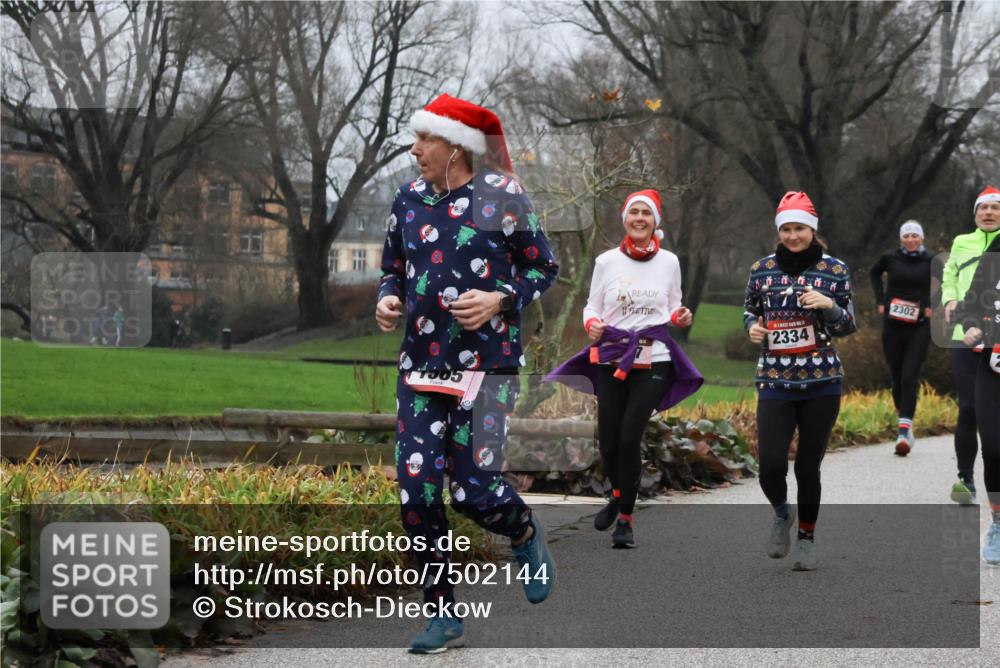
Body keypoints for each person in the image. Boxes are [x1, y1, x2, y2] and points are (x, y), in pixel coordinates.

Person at [375, 94, 559, 653]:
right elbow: (393, 270)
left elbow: (543, 268)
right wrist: (387, 300)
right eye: (415, 139)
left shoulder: (502, 197)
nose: (415, 149)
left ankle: (523, 532)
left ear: (455, 145)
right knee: (418, 491)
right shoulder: (406, 200)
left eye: (424, 139)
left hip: (489, 367)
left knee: (474, 492)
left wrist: (500, 299)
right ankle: (442, 616)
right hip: (421, 366)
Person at [544, 189, 703, 549]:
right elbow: (590, 306)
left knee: (630, 436)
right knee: (610, 441)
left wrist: (681, 316)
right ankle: (617, 494)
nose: (640, 219)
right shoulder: (606, 262)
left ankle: (626, 520)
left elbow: (674, 306)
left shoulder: (670, 262)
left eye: (647, 213)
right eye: (634, 213)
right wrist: (593, 324)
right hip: (612, 355)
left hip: (654, 356)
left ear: (655, 221)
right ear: (625, 219)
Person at [743, 191, 857, 571]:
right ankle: (781, 512)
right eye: (787, 229)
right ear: (779, 231)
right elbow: (750, 311)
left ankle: (807, 537)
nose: (793, 236)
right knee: (771, 466)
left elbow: (848, 325)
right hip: (775, 379)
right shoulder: (761, 270)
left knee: (808, 467)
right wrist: (753, 329)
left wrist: (831, 306)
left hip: (822, 381)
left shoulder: (835, 270)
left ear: (813, 230)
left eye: (800, 229)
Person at [941, 185, 1000, 505]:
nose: (988, 213)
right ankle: (966, 479)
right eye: (983, 208)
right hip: (964, 337)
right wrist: (950, 299)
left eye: (995, 207)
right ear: (975, 214)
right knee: (969, 407)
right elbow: (949, 274)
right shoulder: (962, 242)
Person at [869, 220, 938, 456]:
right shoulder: (890, 258)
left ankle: (904, 432)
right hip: (893, 324)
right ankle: (904, 414)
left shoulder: (930, 260)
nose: (910, 240)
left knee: (910, 376)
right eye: (906, 236)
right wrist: (880, 301)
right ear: (901, 239)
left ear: (922, 238)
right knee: (897, 377)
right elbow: (874, 273)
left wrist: (931, 305)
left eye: (915, 236)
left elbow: (943, 283)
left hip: (919, 325)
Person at [954, 225, 1000, 564]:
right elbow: (970, 304)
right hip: (993, 366)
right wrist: (971, 325)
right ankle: (998, 523)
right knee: (995, 448)